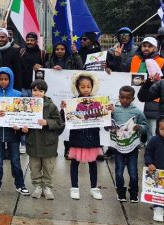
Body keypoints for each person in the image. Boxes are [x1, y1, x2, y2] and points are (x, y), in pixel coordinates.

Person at [60, 72, 109, 200]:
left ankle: (94, 188)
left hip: (92, 137)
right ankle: (74, 188)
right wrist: (63, 109)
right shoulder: (72, 102)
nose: (86, 89)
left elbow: (105, 120)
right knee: (75, 163)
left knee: (93, 163)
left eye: (88, 86)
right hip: (77, 138)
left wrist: (109, 112)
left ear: (92, 87)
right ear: (77, 88)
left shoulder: (98, 102)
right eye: (83, 87)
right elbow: (64, 119)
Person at [0, 67, 29, 196]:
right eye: (0, 79)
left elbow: (24, 114)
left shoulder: (18, 95)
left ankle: (20, 185)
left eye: (6, 79)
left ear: (10, 79)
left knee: (15, 160)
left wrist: (22, 127)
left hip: (13, 134)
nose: (3, 81)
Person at [23, 79, 64, 200]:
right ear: (31, 91)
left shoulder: (51, 106)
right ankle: (37, 186)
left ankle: (47, 186)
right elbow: (23, 120)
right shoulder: (26, 104)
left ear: (45, 92)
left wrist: (47, 122)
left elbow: (59, 123)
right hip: (33, 141)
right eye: (35, 90)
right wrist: (23, 128)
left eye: (41, 91)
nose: (37, 93)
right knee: (34, 167)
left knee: (48, 167)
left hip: (48, 143)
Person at [126, 37, 164, 142]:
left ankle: (151, 154)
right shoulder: (133, 59)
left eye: (150, 46)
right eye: (144, 46)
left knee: (152, 131)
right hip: (134, 98)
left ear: (155, 48)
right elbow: (121, 70)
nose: (146, 48)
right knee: (133, 127)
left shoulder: (162, 62)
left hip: (152, 101)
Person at [112, 86, 148, 202]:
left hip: (132, 147)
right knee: (119, 171)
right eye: (122, 97)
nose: (125, 100)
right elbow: (107, 124)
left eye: (128, 98)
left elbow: (145, 126)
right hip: (118, 147)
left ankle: (133, 192)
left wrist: (139, 127)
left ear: (132, 99)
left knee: (133, 171)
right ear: (119, 97)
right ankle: (120, 192)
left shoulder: (137, 111)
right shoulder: (114, 110)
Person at [0, 28, 23, 94]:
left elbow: (18, 73)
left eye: (3, 37)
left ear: (7, 38)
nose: (0, 39)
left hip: (10, 89)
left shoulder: (14, 52)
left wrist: (17, 90)